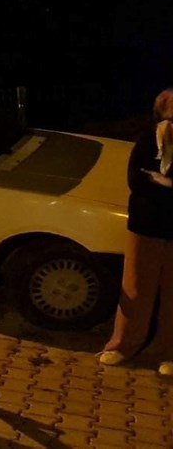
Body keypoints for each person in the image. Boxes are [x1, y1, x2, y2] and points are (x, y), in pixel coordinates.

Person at [100, 89, 173, 376]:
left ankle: (168, 353)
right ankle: (122, 346)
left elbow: (150, 183)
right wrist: (163, 185)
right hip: (146, 227)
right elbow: (137, 182)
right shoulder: (148, 141)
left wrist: (162, 182)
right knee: (135, 289)